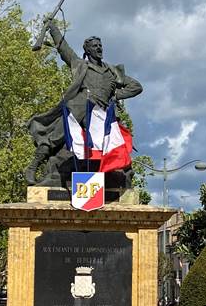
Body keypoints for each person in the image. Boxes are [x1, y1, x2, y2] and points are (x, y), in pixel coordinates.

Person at [25, 21, 143, 186]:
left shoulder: (111, 71)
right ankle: (33, 166)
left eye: (100, 45)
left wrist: (116, 95)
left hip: (101, 112)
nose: (99, 48)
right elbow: (62, 47)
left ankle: (116, 176)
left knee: (116, 141)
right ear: (87, 50)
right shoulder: (80, 64)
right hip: (80, 106)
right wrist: (52, 28)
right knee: (57, 136)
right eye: (95, 46)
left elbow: (136, 87)